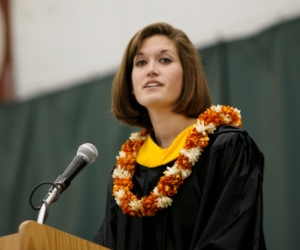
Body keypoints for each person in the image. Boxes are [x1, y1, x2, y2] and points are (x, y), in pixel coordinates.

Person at [93, 22, 266, 250]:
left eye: (165, 60)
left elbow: (231, 239)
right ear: (131, 86)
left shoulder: (227, 147)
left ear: (188, 75)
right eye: (141, 62)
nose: (151, 69)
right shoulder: (125, 177)